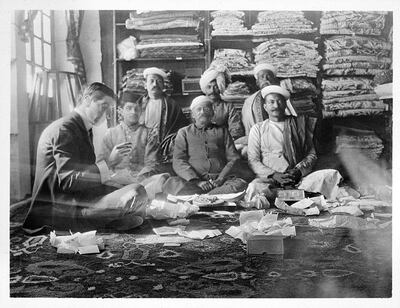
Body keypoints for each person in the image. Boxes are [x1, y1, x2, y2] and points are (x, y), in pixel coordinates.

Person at [23, 83, 148, 234]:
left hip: (77, 200)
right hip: (62, 211)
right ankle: (108, 222)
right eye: (104, 106)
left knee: (131, 192)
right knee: (136, 191)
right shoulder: (65, 129)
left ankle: (112, 221)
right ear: (87, 100)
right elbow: (68, 182)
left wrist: (114, 186)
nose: (108, 114)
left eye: (110, 109)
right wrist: (109, 163)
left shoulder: (79, 126)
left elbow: (83, 176)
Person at [163, 96, 248, 195]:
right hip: (194, 182)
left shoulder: (222, 131)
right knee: (172, 184)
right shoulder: (184, 132)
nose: (202, 112)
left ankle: (206, 197)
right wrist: (197, 181)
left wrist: (221, 179)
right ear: (193, 115)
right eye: (198, 109)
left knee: (240, 184)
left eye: (206, 108)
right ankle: (214, 196)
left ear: (212, 113)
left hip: (220, 182)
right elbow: (178, 160)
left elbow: (234, 158)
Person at [246, 85, 317, 203]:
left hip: (297, 177)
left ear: (285, 105)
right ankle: (294, 198)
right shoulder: (258, 129)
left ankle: (285, 198)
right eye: (271, 102)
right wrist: (273, 174)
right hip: (270, 179)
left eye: (279, 101)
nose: (276, 106)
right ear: (265, 107)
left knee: (328, 176)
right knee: (254, 188)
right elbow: (253, 160)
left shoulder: (299, 125)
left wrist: (298, 171)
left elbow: (311, 155)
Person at [97, 90, 170, 200]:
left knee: (162, 182)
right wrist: (112, 164)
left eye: (137, 109)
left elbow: (152, 163)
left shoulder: (149, 133)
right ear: (120, 111)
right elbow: (101, 163)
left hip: (144, 181)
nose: (133, 112)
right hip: (116, 183)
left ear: (141, 111)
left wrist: (139, 178)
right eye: (129, 108)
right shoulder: (110, 134)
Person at [240, 63, 297, 157]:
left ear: (274, 80)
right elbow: (247, 128)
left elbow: (293, 122)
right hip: (257, 140)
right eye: (262, 77)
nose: (266, 80)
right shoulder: (249, 102)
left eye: (269, 76)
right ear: (257, 82)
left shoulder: (282, 98)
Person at [137, 67, 189, 162]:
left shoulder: (172, 105)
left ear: (163, 86)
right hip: (142, 146)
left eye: (159, 82)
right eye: (151, 81)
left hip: (164, 147)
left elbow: (182, 128)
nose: (155, 84)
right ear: (145, 85)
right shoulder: (139, 104)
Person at [199, 66, 244, 140]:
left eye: (216, 87)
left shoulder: (228, 107)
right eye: (209, 87)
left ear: (221, 88)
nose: (212, 91)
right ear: (204, 89)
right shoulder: (199, 105)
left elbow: (235, 130)